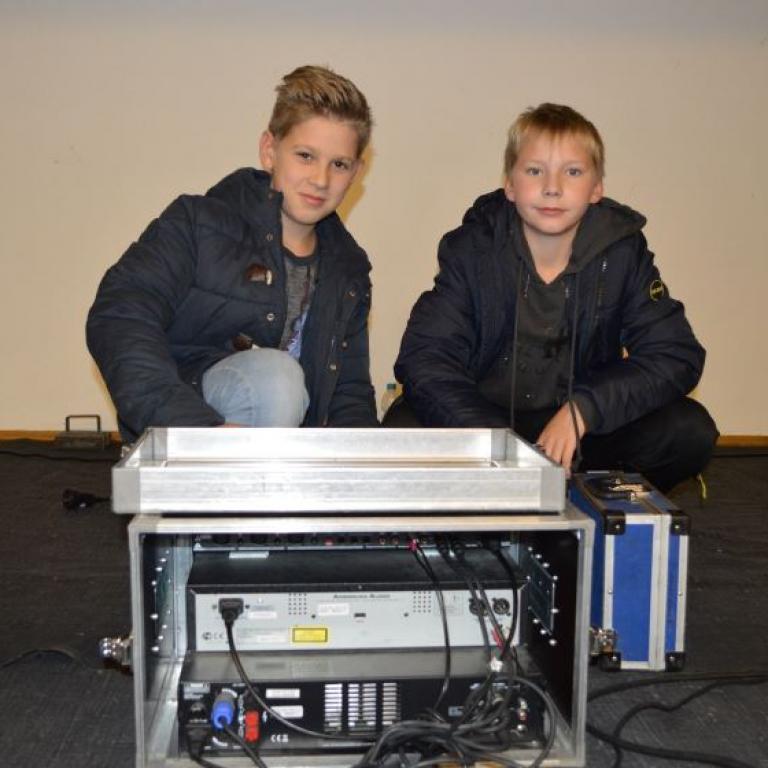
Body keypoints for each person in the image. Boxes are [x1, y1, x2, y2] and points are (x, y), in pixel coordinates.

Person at [392, 103, 717, 492]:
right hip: (485, 422)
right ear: (509, 184)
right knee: (399, 433)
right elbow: (425, 359)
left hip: (579, 430)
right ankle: (505, 487)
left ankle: (584, 497)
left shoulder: (623, 253)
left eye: (573, 172)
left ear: (596, 188)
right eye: (534, 171)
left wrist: (584, 410)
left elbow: (676, 355)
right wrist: (498, 443)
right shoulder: (473, 249)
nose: (552, 187)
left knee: (689, 430)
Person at [87, 65, 378, 442]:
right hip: (188, 425)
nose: (321, 180)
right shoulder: (196, 223)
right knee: (277, 379)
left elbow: (349, 394)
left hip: (292, 453)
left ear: (356, 172)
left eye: (338, 164)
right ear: (269, 151)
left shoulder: (349, 270)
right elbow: (119, 317)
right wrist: (196, 431)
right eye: (306, 156)